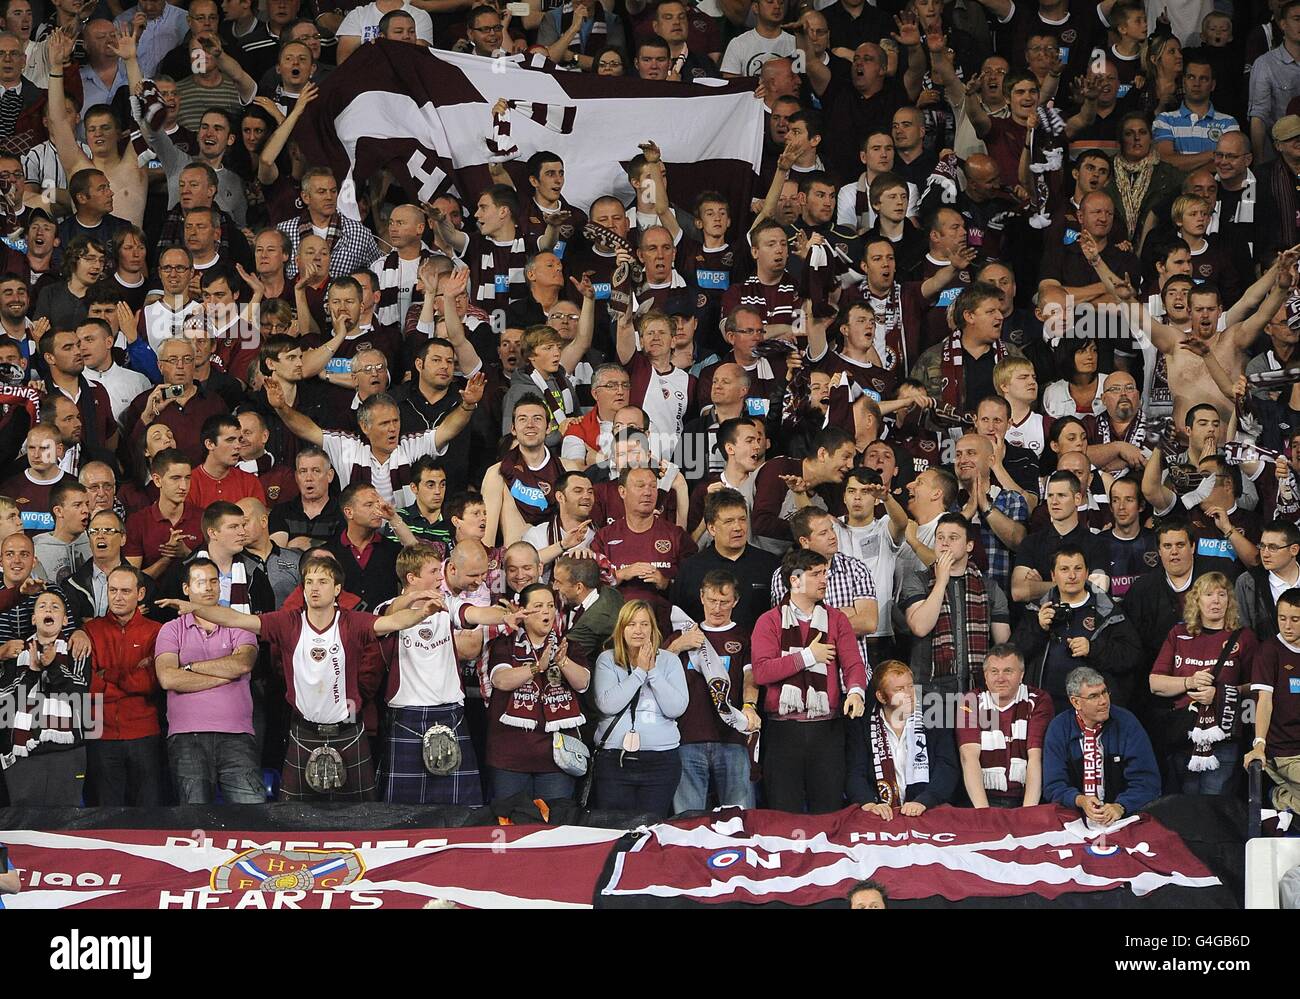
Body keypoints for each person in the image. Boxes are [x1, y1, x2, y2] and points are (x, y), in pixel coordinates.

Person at [159, 555, 446, 802]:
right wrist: (193, 607)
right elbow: (236, 619)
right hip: (304, 729)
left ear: (337, 589)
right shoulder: (288, 622)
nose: (314, 588)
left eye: (322, 582)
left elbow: (393, 622)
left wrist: (423, 613)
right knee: (295, 815)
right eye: (308, 582)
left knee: (360, 813)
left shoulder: (351, 622)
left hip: (347, 729)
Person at [378, 543, 527, 806]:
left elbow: (475, 613)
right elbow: (391, 613)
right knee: (401, 808)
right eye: (434, 571)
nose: (440, 576)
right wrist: (417, 601)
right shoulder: (387, 608)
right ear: (412, 578)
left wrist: (504, 616)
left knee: (459, 808)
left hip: (450, 712)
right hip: (407, 714)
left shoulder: (447, 603)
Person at [752, 548, 867, 813]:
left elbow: (853, 663)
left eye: (825, 573)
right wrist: (807, 656)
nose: (824, 579)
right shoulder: (769, 621)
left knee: (828, 811)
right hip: (783, 731)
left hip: (827, 730)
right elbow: (762, 672)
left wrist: (856, 692)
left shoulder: (837, 619)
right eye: (816, 574)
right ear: (795, 580)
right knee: (784, 812)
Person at [152, 557, 262, 804]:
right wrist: (226, 674)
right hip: (186, 737)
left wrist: (189, 668)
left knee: (252, 821)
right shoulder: (170, 629)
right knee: (194, 822)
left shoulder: (239, 623)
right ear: (186, 589)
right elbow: (168, 678)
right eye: (200, 582)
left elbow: (242, 664)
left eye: (214, 581)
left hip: (237, 736)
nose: (209, 587)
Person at [1150, 572, 1257, 794]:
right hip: (1183, 735)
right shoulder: (1178, 634)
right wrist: (1189, 681)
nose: (1216, 601)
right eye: (1208, 594)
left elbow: (1256, 687)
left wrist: (1219, 694)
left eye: (1221, 594)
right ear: (1196, 600)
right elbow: (1155, 683)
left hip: (1224, 738)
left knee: (1214, 807)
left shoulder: (1244, 637)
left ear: (1230, 600)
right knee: (1184, 810)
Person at [666, 570, 760, 812]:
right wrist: (677, 646)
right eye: (712, 601)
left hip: (731, 738)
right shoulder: (681, 635)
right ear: (701, 597)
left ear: (735, 601)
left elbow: (751, 676)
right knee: (688, 821)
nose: (717, 608)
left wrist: (750, 706)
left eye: (724, 602)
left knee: (739, 818)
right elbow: (653, 673)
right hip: (686, 739)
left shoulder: (744, 636)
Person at [1013, 546, 1139, 714]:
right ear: (1053, 575)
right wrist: (1039, 627)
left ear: (1087, 573)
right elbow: (1013, 657)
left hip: (1094, 711)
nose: (1072, 576)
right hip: (1045, 708)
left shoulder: (1108, 610)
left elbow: (1132, 655)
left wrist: (1093, 649)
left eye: (1078, 569)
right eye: (1064, 569)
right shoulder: (1036, 609)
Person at [592, 598, 687, 817]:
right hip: (615, 762)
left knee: (651, 829)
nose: (638, 630)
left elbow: (676, 708)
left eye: (645, 624)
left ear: (653, 629)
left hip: (660, 763)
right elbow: (608, 704)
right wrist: (639, 673)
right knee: (614, 828)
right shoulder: (607, 659)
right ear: (621, 628)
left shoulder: (670, 661)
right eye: (631, 624)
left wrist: (652, 671)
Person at [900, 513, 1011, 696]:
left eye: (953, 538)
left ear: (969, 545)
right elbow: (920, 627)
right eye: (940, 538)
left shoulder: (989, 588)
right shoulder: (918, 580)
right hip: (930, 691)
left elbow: (1003, 644)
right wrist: (941, 581)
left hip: (978, 691)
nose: (944, 543)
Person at [0, 588, 89, 806]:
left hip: (67, 752)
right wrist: (32, 672)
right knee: (25, 822)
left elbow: (79, 693)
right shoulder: (16, 651)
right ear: (33, 618)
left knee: (66, 822)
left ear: (65, 619)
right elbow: (5, 701)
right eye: (42, 606)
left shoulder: (76, 647)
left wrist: (53, 667)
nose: (48, 609)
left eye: (55, 606)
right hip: (24, 752)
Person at [84, 565, 164, 806]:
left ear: (140, 594)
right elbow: (90, 685)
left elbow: (151, 682)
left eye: (125, 591)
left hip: (145, 733)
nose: (117, 597)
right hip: (101, 734)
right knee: (107, 816)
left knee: (149, 813)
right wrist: (130, 677)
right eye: (113, 590)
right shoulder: (90, 630)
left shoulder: (156, 631)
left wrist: (110, 674)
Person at [1042, 666, 1161, 826]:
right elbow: (1053, 785)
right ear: (1076, 702)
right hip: (1072, 818)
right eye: (1094, 696)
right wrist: (1080, 800)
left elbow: (1147, 781)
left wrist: (1121, 806)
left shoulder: (1127, 723)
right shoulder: (1059, 728)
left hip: (1124, 816)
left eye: (1104, 692)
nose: (1104, 701)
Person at [846, 659, 959, 816]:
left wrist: (925, 800)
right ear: (881, 696)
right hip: (881, 814)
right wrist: (869, 803)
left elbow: (947, 767)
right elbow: (855, 772)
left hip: (928, 809)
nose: (909, 694)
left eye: (910, 686)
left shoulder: (934, 717)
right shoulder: (862, 724)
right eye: (899, 689)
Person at [957, 643, 1054, 808]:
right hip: (982, 798)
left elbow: (1035, 756)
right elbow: (968, 757)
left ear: (1021, 675)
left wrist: (1027, 813)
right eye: (994, 671)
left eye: (1008, 671)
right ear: (985, 676)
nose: (1000, 678)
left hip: (1027, 797)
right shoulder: (968, 701)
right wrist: (983, 813)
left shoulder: (1039, 700)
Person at [1245, 586, 1300, 815]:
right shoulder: (1269, 651)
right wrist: (1259, 744)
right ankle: (1279, 796)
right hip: (1285, 752)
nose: (1287, 626)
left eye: (1295, 620)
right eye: (1282, 618)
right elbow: (1264, 701)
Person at [552, 553, 623, 662]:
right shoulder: (610, 592)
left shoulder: (590, 624)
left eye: (559, 582)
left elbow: (561, 658)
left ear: (579, 588)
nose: (554, 587)